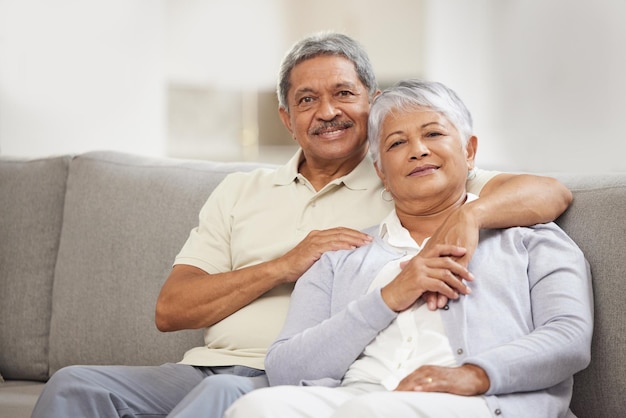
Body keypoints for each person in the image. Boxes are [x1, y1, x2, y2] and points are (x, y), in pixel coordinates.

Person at [31, 33, 573, 418]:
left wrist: (470, 213)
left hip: (290, 374)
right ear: (289, 119)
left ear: (372, 102)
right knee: (76, 385)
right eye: (306, 100)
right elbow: (172, 310)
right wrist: (284, 265)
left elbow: (551, 192)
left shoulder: (409, 174)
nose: (327, 111)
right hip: (207, 365)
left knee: (234, 404)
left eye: (343, 93)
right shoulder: (240, 191)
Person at [223, 80, 593, 418]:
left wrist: (474, 375)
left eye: (433, 133)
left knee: (371, 412)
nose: (417, 150)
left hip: (477, 402)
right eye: (397, 143)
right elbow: (286, 367)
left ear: (469, 151)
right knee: (256, 406)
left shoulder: (531, 238)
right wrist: (389, 297)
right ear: (381, 171)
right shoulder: (339, 258)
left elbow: (569, 336)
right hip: (353, 399)